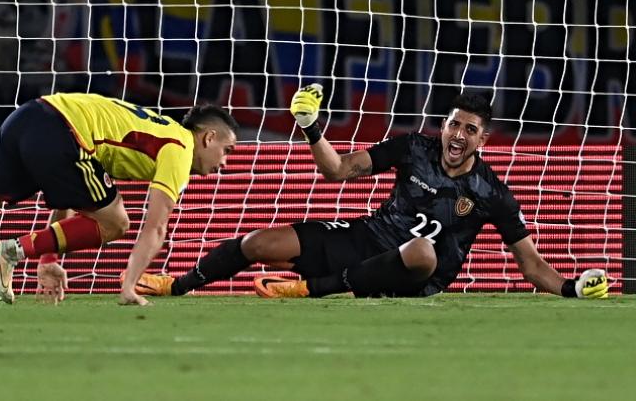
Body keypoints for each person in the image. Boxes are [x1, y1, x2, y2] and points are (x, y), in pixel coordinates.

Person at [129, 85, 609, 300]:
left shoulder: (492, 193)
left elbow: (530, 264)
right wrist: (311, 127)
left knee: (423, 251)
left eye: (469, 130)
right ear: (442, 126)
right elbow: (337, 171)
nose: (457, 135)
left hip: (415, 274)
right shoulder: (411, 148)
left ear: (483, 139)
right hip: (367, 238)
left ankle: (310, 290)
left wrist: (570, 289)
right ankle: (181, 284)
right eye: (452, 125)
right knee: (260, 242)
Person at [0, 93, 238, 307]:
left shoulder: (155, 131)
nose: (223, 163)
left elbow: (70, 192)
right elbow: (155, 226)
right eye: (226, 151)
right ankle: (8, 253)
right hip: (61, 132)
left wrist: (49, 260)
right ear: (208, 137)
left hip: (29, 117)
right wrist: (129, 284)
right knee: (116, 222)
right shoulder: (179, 148)